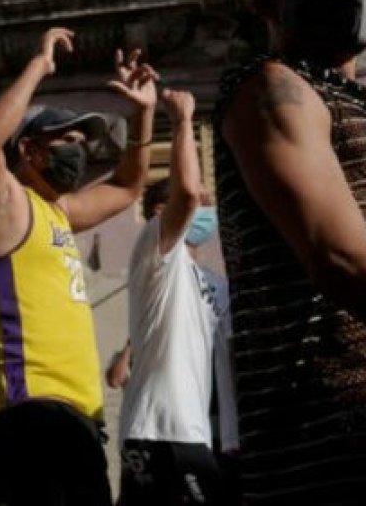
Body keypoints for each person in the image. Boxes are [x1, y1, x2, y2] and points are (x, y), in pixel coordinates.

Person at [0, 26, 158, 505]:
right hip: (29, 416)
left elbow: (130, 187)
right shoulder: (7, 207)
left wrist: (144, 114)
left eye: (81, 141)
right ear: (29, 150)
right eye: (64, 139)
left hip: (78, 418)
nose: (78, 150)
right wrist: (40, 65)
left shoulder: (61, 213)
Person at [215, 0, 366, 503]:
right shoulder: (270, 87)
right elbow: (341, 257)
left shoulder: (349, 98)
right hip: (328, 456)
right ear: (265, 1)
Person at [118, 89, 237, 506]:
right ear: (158, 214)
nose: (205, 207)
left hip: (198, 435)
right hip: (159, 430)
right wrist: (183, 119)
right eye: (199, 202)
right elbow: (185, 193)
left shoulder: (211, 282)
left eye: (209, 202)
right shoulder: (155, 254)